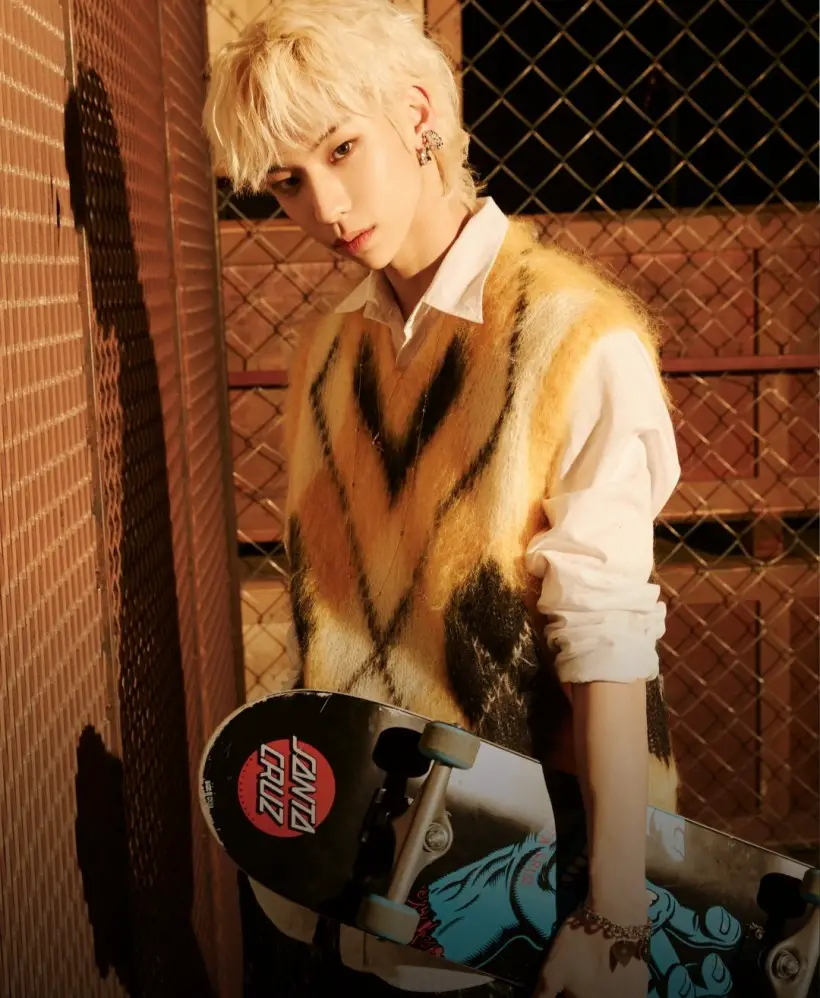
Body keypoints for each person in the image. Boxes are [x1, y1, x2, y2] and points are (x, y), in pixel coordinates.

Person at [203, 2, 681, 996]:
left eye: (342, 148)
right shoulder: (328, 354)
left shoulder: (577, 337)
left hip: (520, 900)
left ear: (418, 113)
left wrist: (616, 910)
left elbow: (606, 641)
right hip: (336, 885)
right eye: (288, 181)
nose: (326, 206)